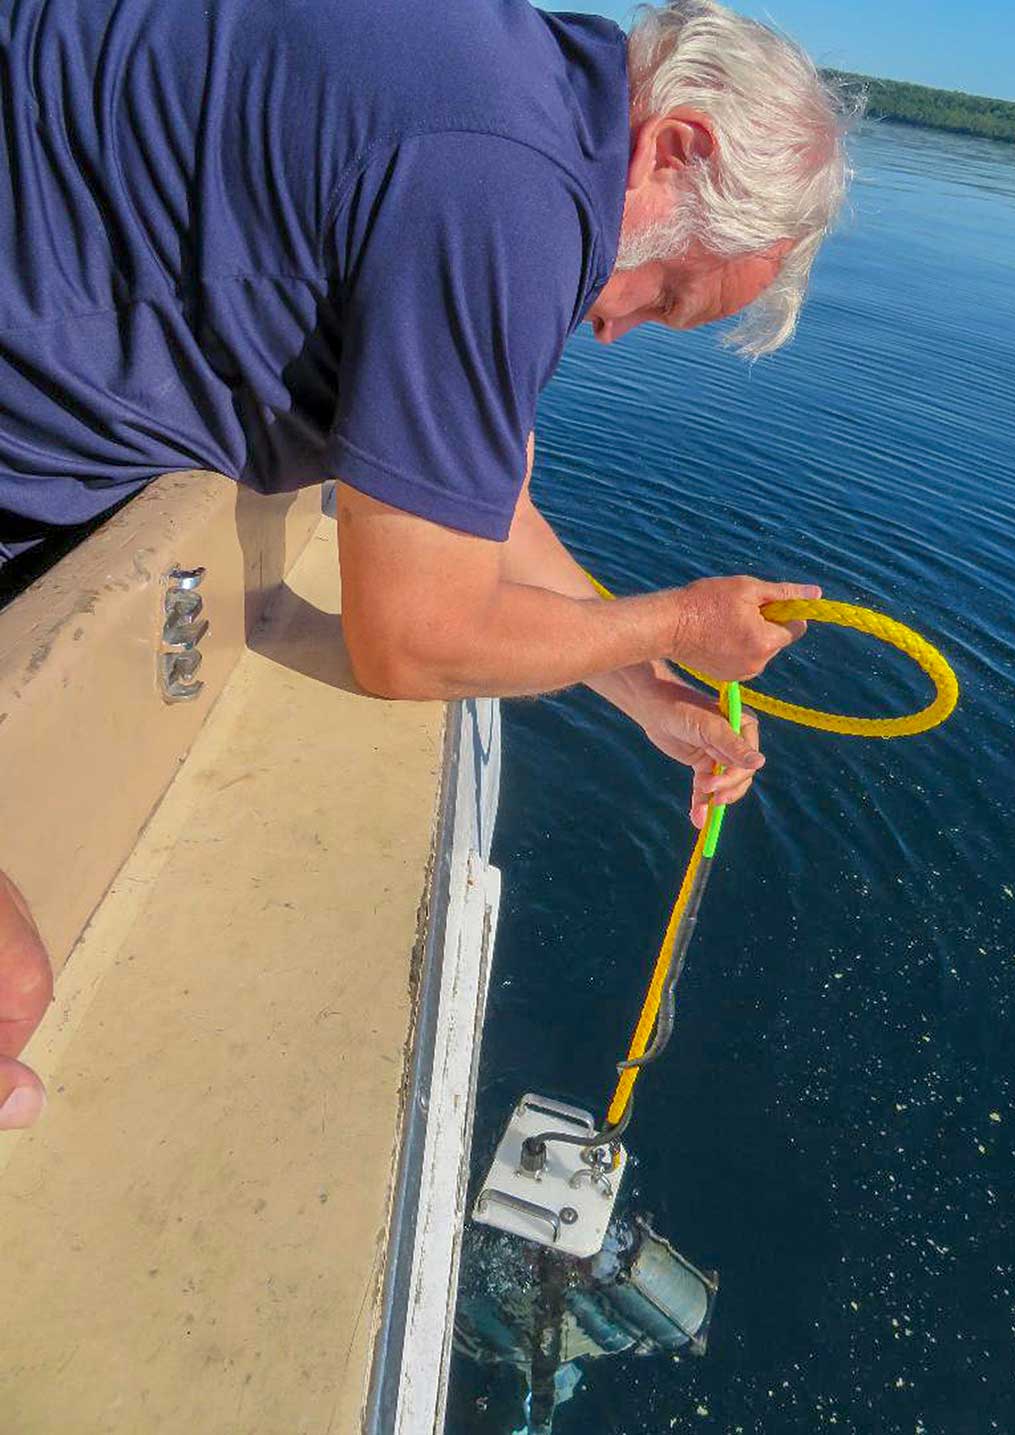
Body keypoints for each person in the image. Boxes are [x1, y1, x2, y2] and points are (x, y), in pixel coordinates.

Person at [0, 0, 856, 1127]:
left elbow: (485, 506)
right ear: (677, 147)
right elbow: (407, 642)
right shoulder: (508, 191)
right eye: (668, 293)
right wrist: (681, 621)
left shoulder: (522, 93)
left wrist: (649, 692)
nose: (615, 328)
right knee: (10, 989)